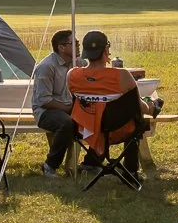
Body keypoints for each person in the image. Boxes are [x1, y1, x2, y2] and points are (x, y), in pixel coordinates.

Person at [68, 30, 150, 181]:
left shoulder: (72, 75)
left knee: (97, 114)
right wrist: (150, 106)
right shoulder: (122, 75)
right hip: (117, 130)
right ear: (106, 49)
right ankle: (130, 170)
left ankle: (92, 161)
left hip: (86, 129)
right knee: (136, 119)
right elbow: (138, 106)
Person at [32, 28, 77, 177]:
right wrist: (68, 108)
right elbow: (44, 100)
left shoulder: (77, 63)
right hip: (46, 111)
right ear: (61, 47)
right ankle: (50, 165)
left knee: (97, 116)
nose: (78, 47)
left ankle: (91, 163)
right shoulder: (47, 67)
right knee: (67, 123)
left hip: (68, 107)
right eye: (74, 43)